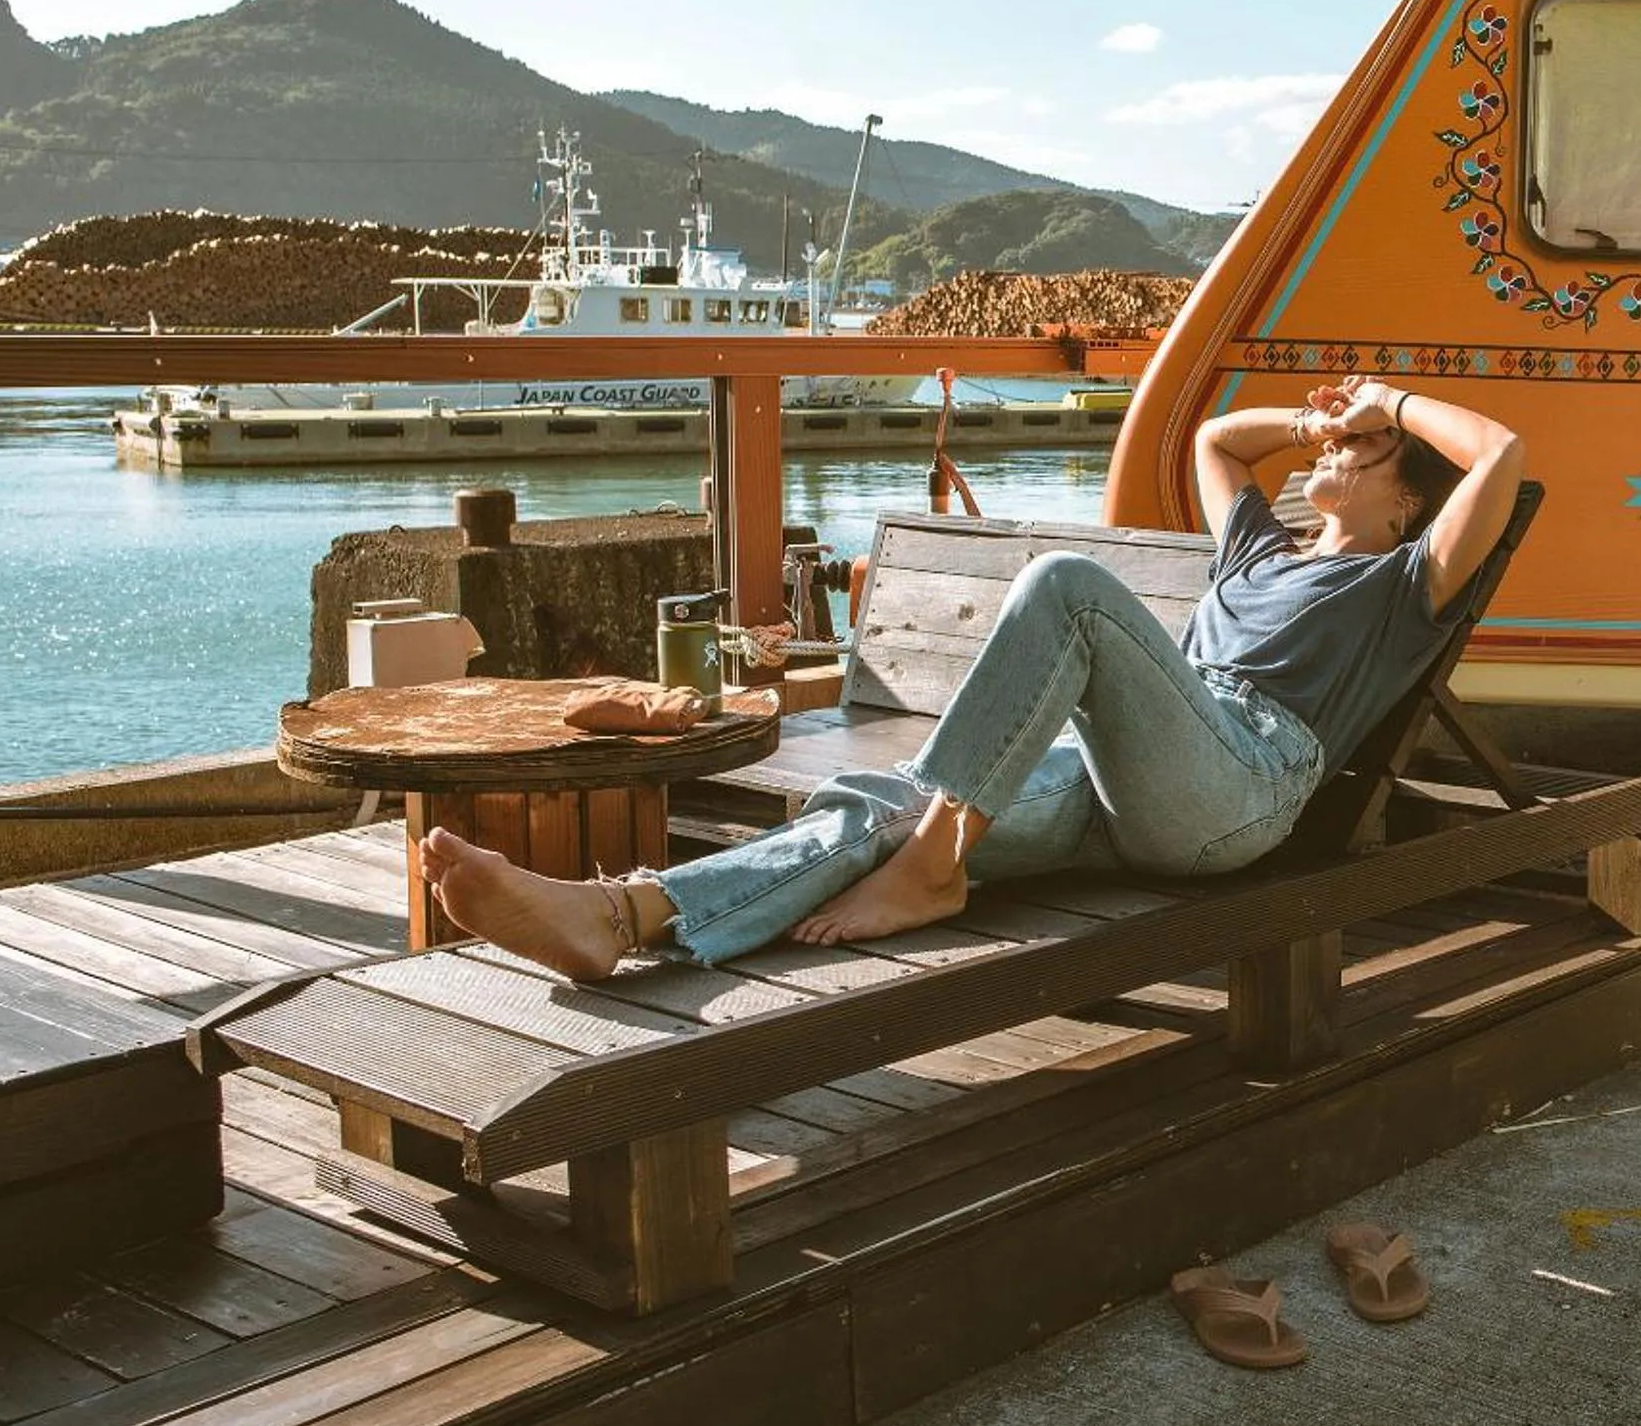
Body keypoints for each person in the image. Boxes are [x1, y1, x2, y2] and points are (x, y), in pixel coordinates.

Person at [418, 378, 1526, 982]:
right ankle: (621, 915)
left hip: (1238, 787)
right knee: (885, 804)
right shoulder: (1261, 549)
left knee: (1069, 585)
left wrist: (1390, 399)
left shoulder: (1403, 583)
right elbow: (1220, 443)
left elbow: (1503, 454)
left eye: (1364, 454)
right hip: (1127, 776)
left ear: (1406, 503)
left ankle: (937, 861)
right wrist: (1313, 419)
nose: (1335, 452)